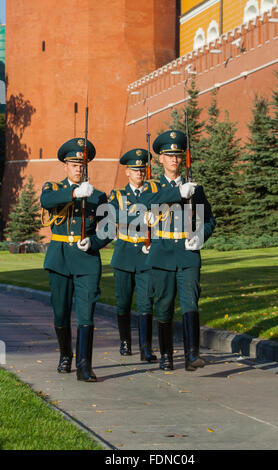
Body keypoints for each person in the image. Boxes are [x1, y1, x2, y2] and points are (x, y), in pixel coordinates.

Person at [108, 148, 196, 361]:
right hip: (125, 254)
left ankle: (146, 347)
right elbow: (112, 216)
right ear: (127, 172)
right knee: (123, 302)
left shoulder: (154, 190)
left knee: (146, 302)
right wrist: (139, 218)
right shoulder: (118, 195)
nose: (139, 174)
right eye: (135, 170)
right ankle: (125, 341)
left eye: (142, 170)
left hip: (147, 253)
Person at [40, 137, 110, 382]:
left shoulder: (99, 196)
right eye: (74, 164)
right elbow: (45, 202)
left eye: (82, 165)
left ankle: (84, 365)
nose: (78, 168)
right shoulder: (53, 189)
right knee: (60, 313)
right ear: (65, 166)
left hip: (87, 259)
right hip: (59, 258)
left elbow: (108, 228)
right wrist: (73, 193)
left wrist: (95, 242)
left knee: (86, 313)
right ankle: (65, 355)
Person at [146, 130, 216, 371]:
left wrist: (200, 236)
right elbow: (149, 202)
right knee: (164, 305)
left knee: (190, 304)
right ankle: (166, 356)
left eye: (178, 155)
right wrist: (178, 192)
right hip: (162, 252)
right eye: (169, 155)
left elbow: (209, 220)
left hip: (187, 254)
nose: (174, 160)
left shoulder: (195, 189)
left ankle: (191, 355)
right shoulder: (152, 186)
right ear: (161, 159)